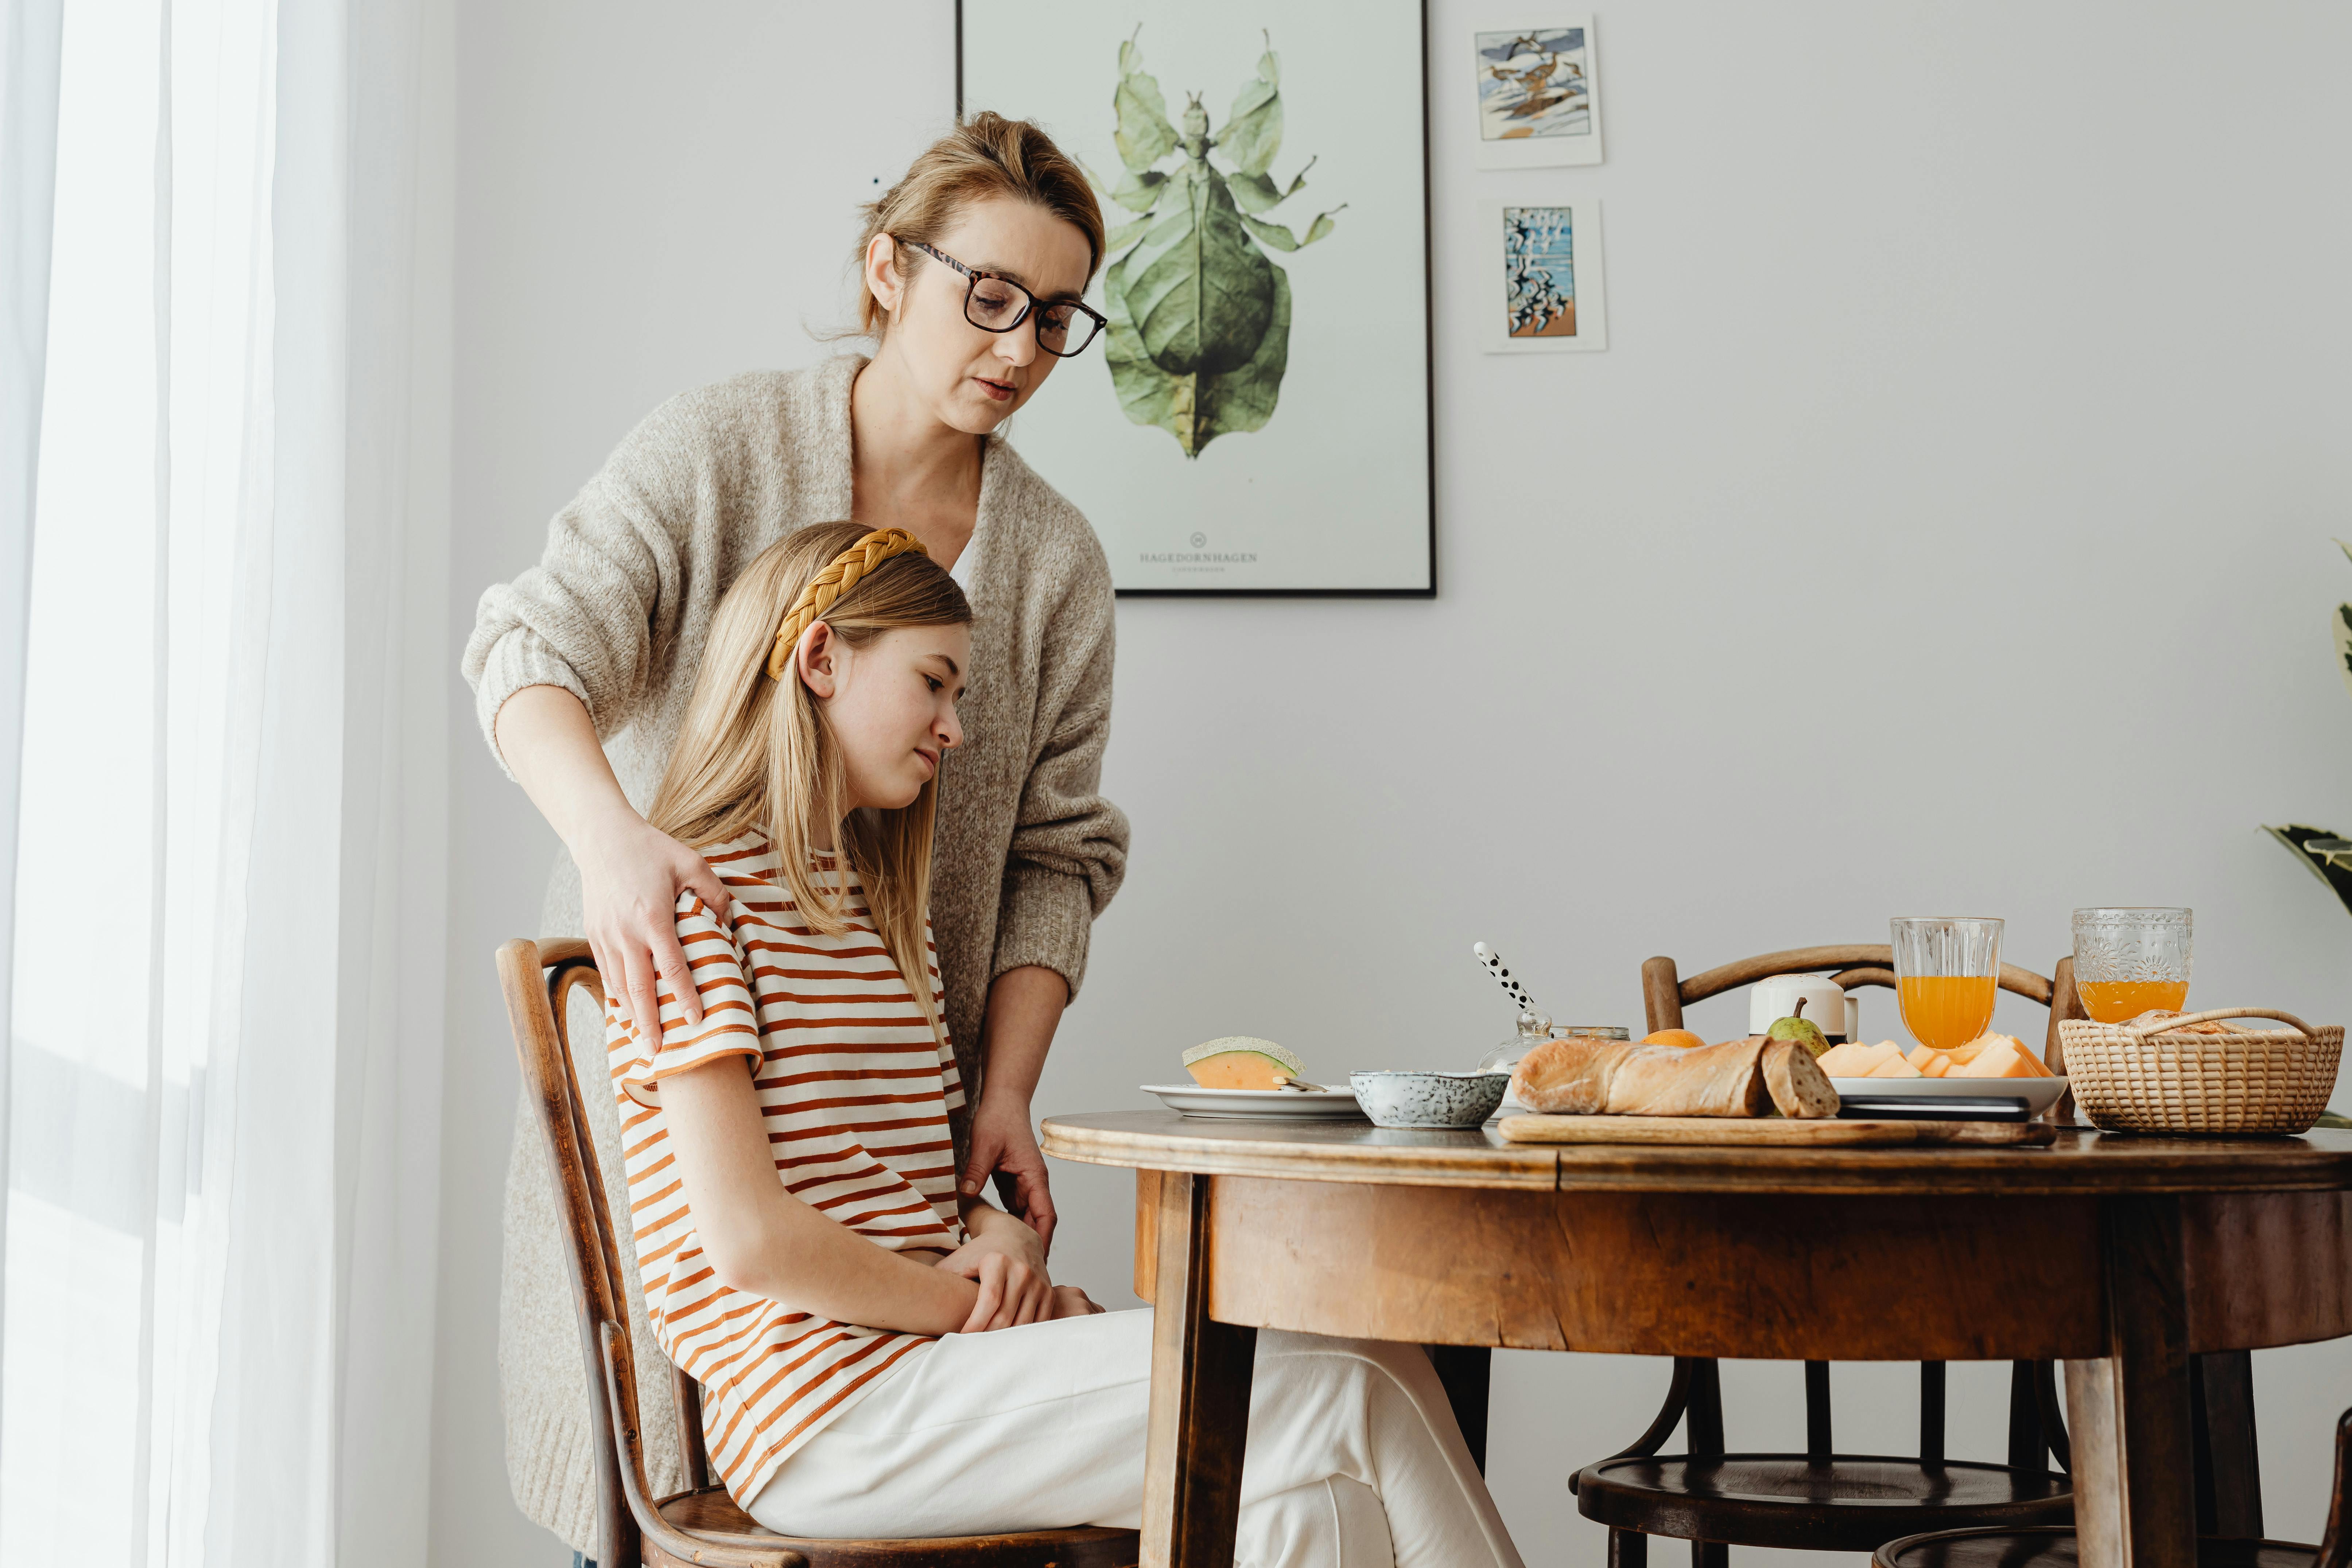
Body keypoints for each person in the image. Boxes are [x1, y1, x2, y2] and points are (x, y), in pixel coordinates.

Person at [462, 114, 1129, 1553]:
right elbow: (524, 647)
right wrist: (611, 841)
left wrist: (1002, 1089)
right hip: (690, 1048)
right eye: (988, 298)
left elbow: (1056, 858)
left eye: (1057, 318)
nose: (1018, 347)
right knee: (656, 1473)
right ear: (889, 269)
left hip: (888, 1110)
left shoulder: (1055, 561)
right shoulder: (720, 452)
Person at [619, 522, 1523, 1567]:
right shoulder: (695, 909)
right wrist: (968, 1301)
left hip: (922, 1362)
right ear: (821, 659)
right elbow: (749, 1238)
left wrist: (985, 1232)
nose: (953, 727)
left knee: (1306, 1490)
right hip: (825, 1412)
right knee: (1347, 1383)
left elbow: (880, 1173)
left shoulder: (873, 912)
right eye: (935, 682)